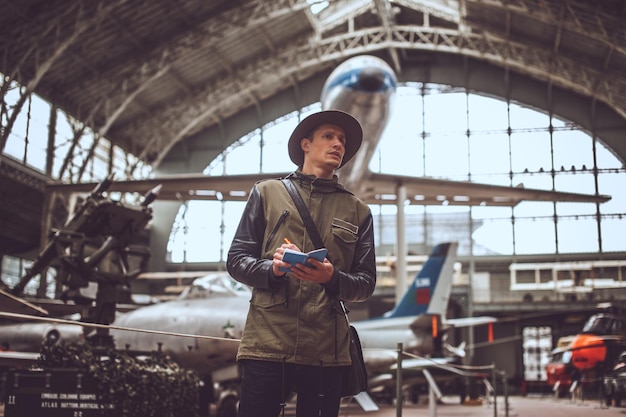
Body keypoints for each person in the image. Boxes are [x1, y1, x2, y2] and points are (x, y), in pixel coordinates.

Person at [227, 110, 377, 417]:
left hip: (326, 349)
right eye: (329, 136)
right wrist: (273, 269)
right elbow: (236, 260)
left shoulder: (358, 211)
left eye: (342, 140)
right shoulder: (267, 193)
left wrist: (332, 277)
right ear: (305, 145)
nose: (338, 144)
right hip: (268, 344)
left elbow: (366, 282)